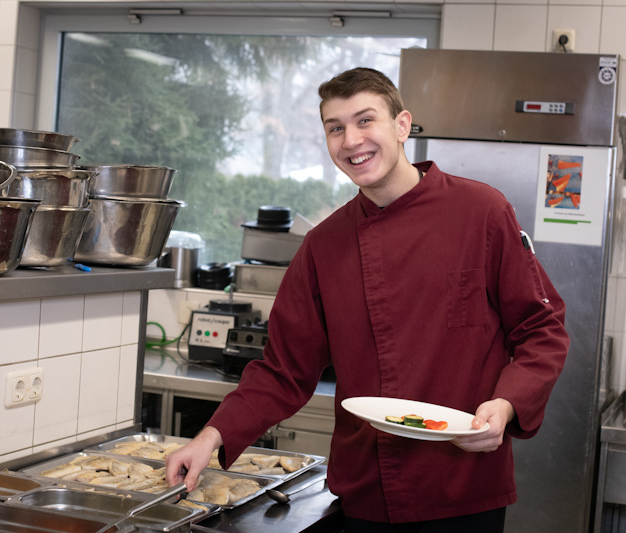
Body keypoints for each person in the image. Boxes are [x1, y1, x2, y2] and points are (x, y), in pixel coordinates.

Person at [165, 67, 570, 532]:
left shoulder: (483, 211)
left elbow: (542, 330)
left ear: (401, 126)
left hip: (463, 485)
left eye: (365, 120)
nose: (351, 139)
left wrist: (506, 404)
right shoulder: (323, 246)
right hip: (367, 489)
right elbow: (282, 370)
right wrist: (209, 438)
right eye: (335, 128)